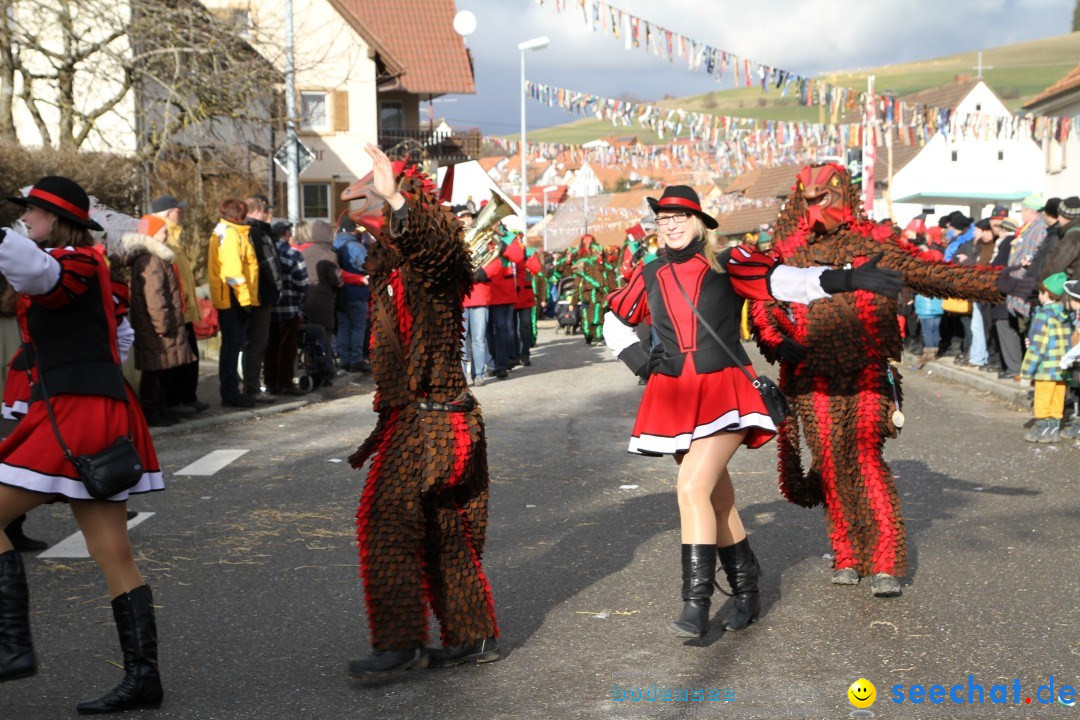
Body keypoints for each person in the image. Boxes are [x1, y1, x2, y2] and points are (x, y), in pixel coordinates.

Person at [604, 185, 903, 637]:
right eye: (663, 219)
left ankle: (695, 603)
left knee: (691, 489)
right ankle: (747, 590)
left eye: (679, 216)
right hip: (674, 396)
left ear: (701, 222)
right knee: (717, 500)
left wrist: (846, 280)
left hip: (726, 391)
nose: (670, 225)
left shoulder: (729, 263)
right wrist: (641, 364)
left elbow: (786, 281)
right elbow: (614, 318)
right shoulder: (649, 273)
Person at [750, 163, 1032, 598]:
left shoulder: (874, 246)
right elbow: (765, 300)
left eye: (821, 196)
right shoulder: (793, 252)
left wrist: (998, 282)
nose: (814, 206)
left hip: (865, 372)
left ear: (841, 193)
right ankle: (846, 554)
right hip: (813, 377)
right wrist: (777, 342)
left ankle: (884, 561)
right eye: (807, 199)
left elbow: (933, 274)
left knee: (863, 458)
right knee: (829, 463)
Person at [0, 176, 164, 712]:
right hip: (92, 406)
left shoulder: (74, 261)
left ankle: (12, 646)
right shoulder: (80, 265)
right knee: (112, 552)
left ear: (55, 219)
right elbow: (116, 337)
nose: (27, 220)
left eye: (33, 214)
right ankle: (144, 680)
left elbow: (32, 269)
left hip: (78, 409)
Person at [343, 144, 499, 680]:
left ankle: (400, 643)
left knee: (384, 521)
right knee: (442, 529)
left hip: (431, 424)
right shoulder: (392, 270)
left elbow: (434, 249)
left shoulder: (435, 263)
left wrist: (396, 199)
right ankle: (474, 636)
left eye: (379, 217)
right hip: (430, 419)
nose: (372, 227)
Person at [126, 215, 197, 427]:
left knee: (160, 368)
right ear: (151, 234)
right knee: (155, 370)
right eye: (163, 231)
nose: (167, 234)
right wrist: (163, 324)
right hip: (156, 326)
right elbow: (155, 296)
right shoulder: (152, 261)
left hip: (155, 325)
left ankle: (158, 408)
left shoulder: (154, 258)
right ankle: (152, 410)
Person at [150, 195, 209, 418]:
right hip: (177, 309)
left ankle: (187, 396)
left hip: (184, 307)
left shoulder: (175, 237)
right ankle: (176, 399)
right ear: (167, 214)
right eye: (177, 210)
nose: (180, 213)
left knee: (190, 356)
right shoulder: (164, 239)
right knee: (178, 358)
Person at [208, 198, 260, 408]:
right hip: (233, 298)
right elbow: (233, 272)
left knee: (231, 346)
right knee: (232, 346)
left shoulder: (231, 232)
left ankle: (230, 391)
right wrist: (246, 299)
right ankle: (230, 393)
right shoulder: (230, 234)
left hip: (232, 297)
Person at [1021, 273, 1073, 443]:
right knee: (1057, 399)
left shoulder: (1043, 315)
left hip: (1045, 369)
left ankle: (1043, 430)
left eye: (1040, 292)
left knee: (1043, 399)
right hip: (1063, 369)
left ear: (1046, 294)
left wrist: (1026, 372)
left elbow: (1037, 346)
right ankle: (1054, 429)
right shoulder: (1066, 315)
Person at [244, 195, 282, 403]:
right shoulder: (259, 233)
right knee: (257, 344)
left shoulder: (240, 231)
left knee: (246, 344)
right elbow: (271, 265)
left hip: (245, 295)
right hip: (261, 296)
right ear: (259, 211)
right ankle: (252, 388)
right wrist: (278, 289)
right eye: (268, 211)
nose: (270, 215)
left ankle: (247, 386)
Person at [264, 220, 308, 395]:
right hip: (289, 308)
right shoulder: (292, 253)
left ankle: (270, 383)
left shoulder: (266, 252)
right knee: (287, 348)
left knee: (269, 347)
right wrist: (301, 300)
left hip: (269, 307)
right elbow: (302, 282)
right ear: (287, 232)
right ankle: (285, 383)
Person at [298, 220, 341, 381]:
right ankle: (325, 369)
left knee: (308, 337)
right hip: (324, 299)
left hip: (306, 298)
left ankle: (310, 366)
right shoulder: (330, 254)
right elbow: (335, 280)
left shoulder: (304, 252)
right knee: (325, 336)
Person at [332, 216, 371, 373]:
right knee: (357, 327)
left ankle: (344, 360)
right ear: (353, 229)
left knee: (343, 327)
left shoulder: (333, 245)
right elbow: (368, 266)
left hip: (339, 293)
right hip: (357, 292)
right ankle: (356, 360)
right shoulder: (356, 247)